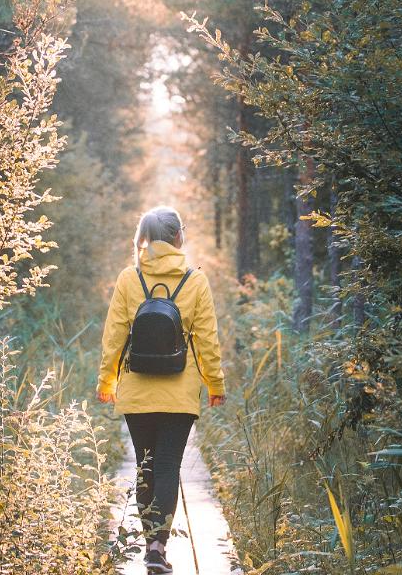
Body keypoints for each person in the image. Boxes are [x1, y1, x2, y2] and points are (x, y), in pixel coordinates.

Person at [98, 206, 225, 574]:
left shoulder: (129, 278)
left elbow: (114, 337)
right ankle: (157, 548)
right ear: (177, 237)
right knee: (168, 465)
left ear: (146, 237)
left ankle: (149, 542)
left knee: (145, 465)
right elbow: (207, 341)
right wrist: (215, 384)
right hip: (179, 392)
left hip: (136, 390)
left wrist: (106, 381)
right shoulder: (194, 281)